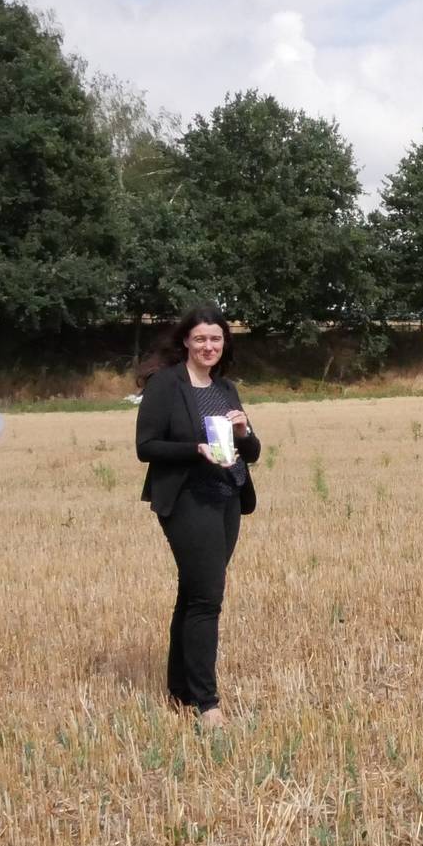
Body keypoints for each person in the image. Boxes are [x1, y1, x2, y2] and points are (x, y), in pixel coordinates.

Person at [135, 305, 261, 724]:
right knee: (208, 598)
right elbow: (146, 446)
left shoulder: (225, 388)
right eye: (201, 338)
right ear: (186, 341)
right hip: (187, 499)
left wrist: (244, 433)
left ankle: (180, 689)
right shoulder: (166, 385)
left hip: (228, 497)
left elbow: (254, 454)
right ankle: (207, 706)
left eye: (217, 339)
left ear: (225, 344)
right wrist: (196, 450)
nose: (209, 346)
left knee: (193, 595)